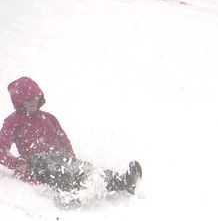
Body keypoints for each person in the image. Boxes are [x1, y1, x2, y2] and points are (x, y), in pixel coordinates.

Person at [0, 76, 142, 202]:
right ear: (20, 102)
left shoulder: (48, 118)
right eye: (28, 100)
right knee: (54, 169)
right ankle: (68, 192)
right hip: (34, 164)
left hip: (57, 157)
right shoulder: (12, 122)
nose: (33, 102)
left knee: (83, 169)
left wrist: (71, 157)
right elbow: (1, 150)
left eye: (35, 97)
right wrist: (17, 163)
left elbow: (63, 139)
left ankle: (122, 181)